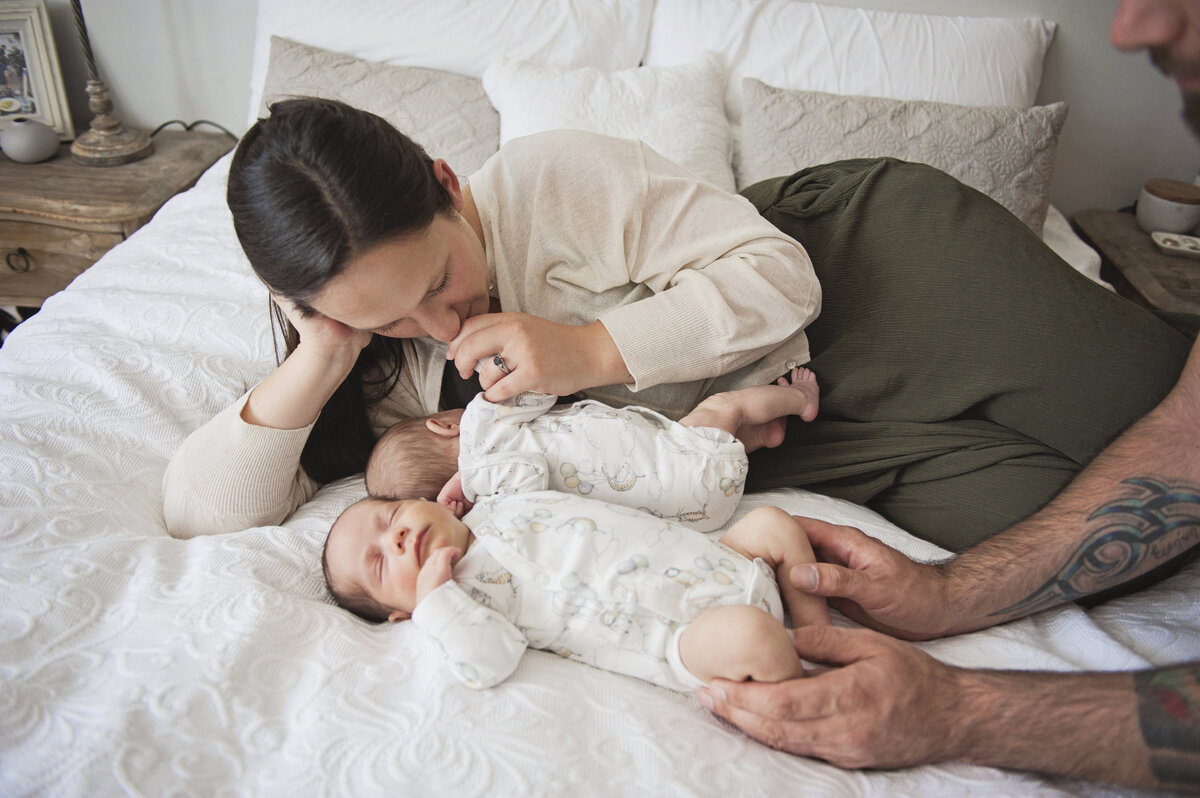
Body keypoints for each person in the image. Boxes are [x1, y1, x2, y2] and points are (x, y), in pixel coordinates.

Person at [163, 94, 1192, 556]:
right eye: (387, 318)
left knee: (1156, 416)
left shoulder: (546, 179)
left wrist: (591, 351)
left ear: (444, 184)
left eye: (439, 278)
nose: (437, 323)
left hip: (870, 275)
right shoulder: (378, 356)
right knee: (1111, 535)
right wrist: (331, 348)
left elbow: (777, 274)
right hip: (793, 434)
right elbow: (204, 515)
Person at [696, 1, 1200, 792]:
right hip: (799, 384)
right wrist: (948, 595)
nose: (1130, 29)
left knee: (1126, 399)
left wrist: (962, 709)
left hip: (867, 269)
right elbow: (1186, 445)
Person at [322, 489, 830, 691]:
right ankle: (809, 689)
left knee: (774, 524)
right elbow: (489, 661)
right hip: (683, 635)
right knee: (753, 636)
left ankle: (821, 639)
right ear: (399, 613)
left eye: (392, 518)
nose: (398, 538)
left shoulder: (497, 500)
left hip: (719, 559)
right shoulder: (463, 603)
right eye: (380, 562)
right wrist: (435, 602)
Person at [365, 366, 819, 533]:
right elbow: (543, 388)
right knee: (724, 407)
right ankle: (800, 401)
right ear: (443, 425)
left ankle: (760, 439)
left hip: (699, 517)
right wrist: (498, 383)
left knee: (691, 443)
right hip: (689, 468)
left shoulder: (492, 513)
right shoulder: (481, 424)